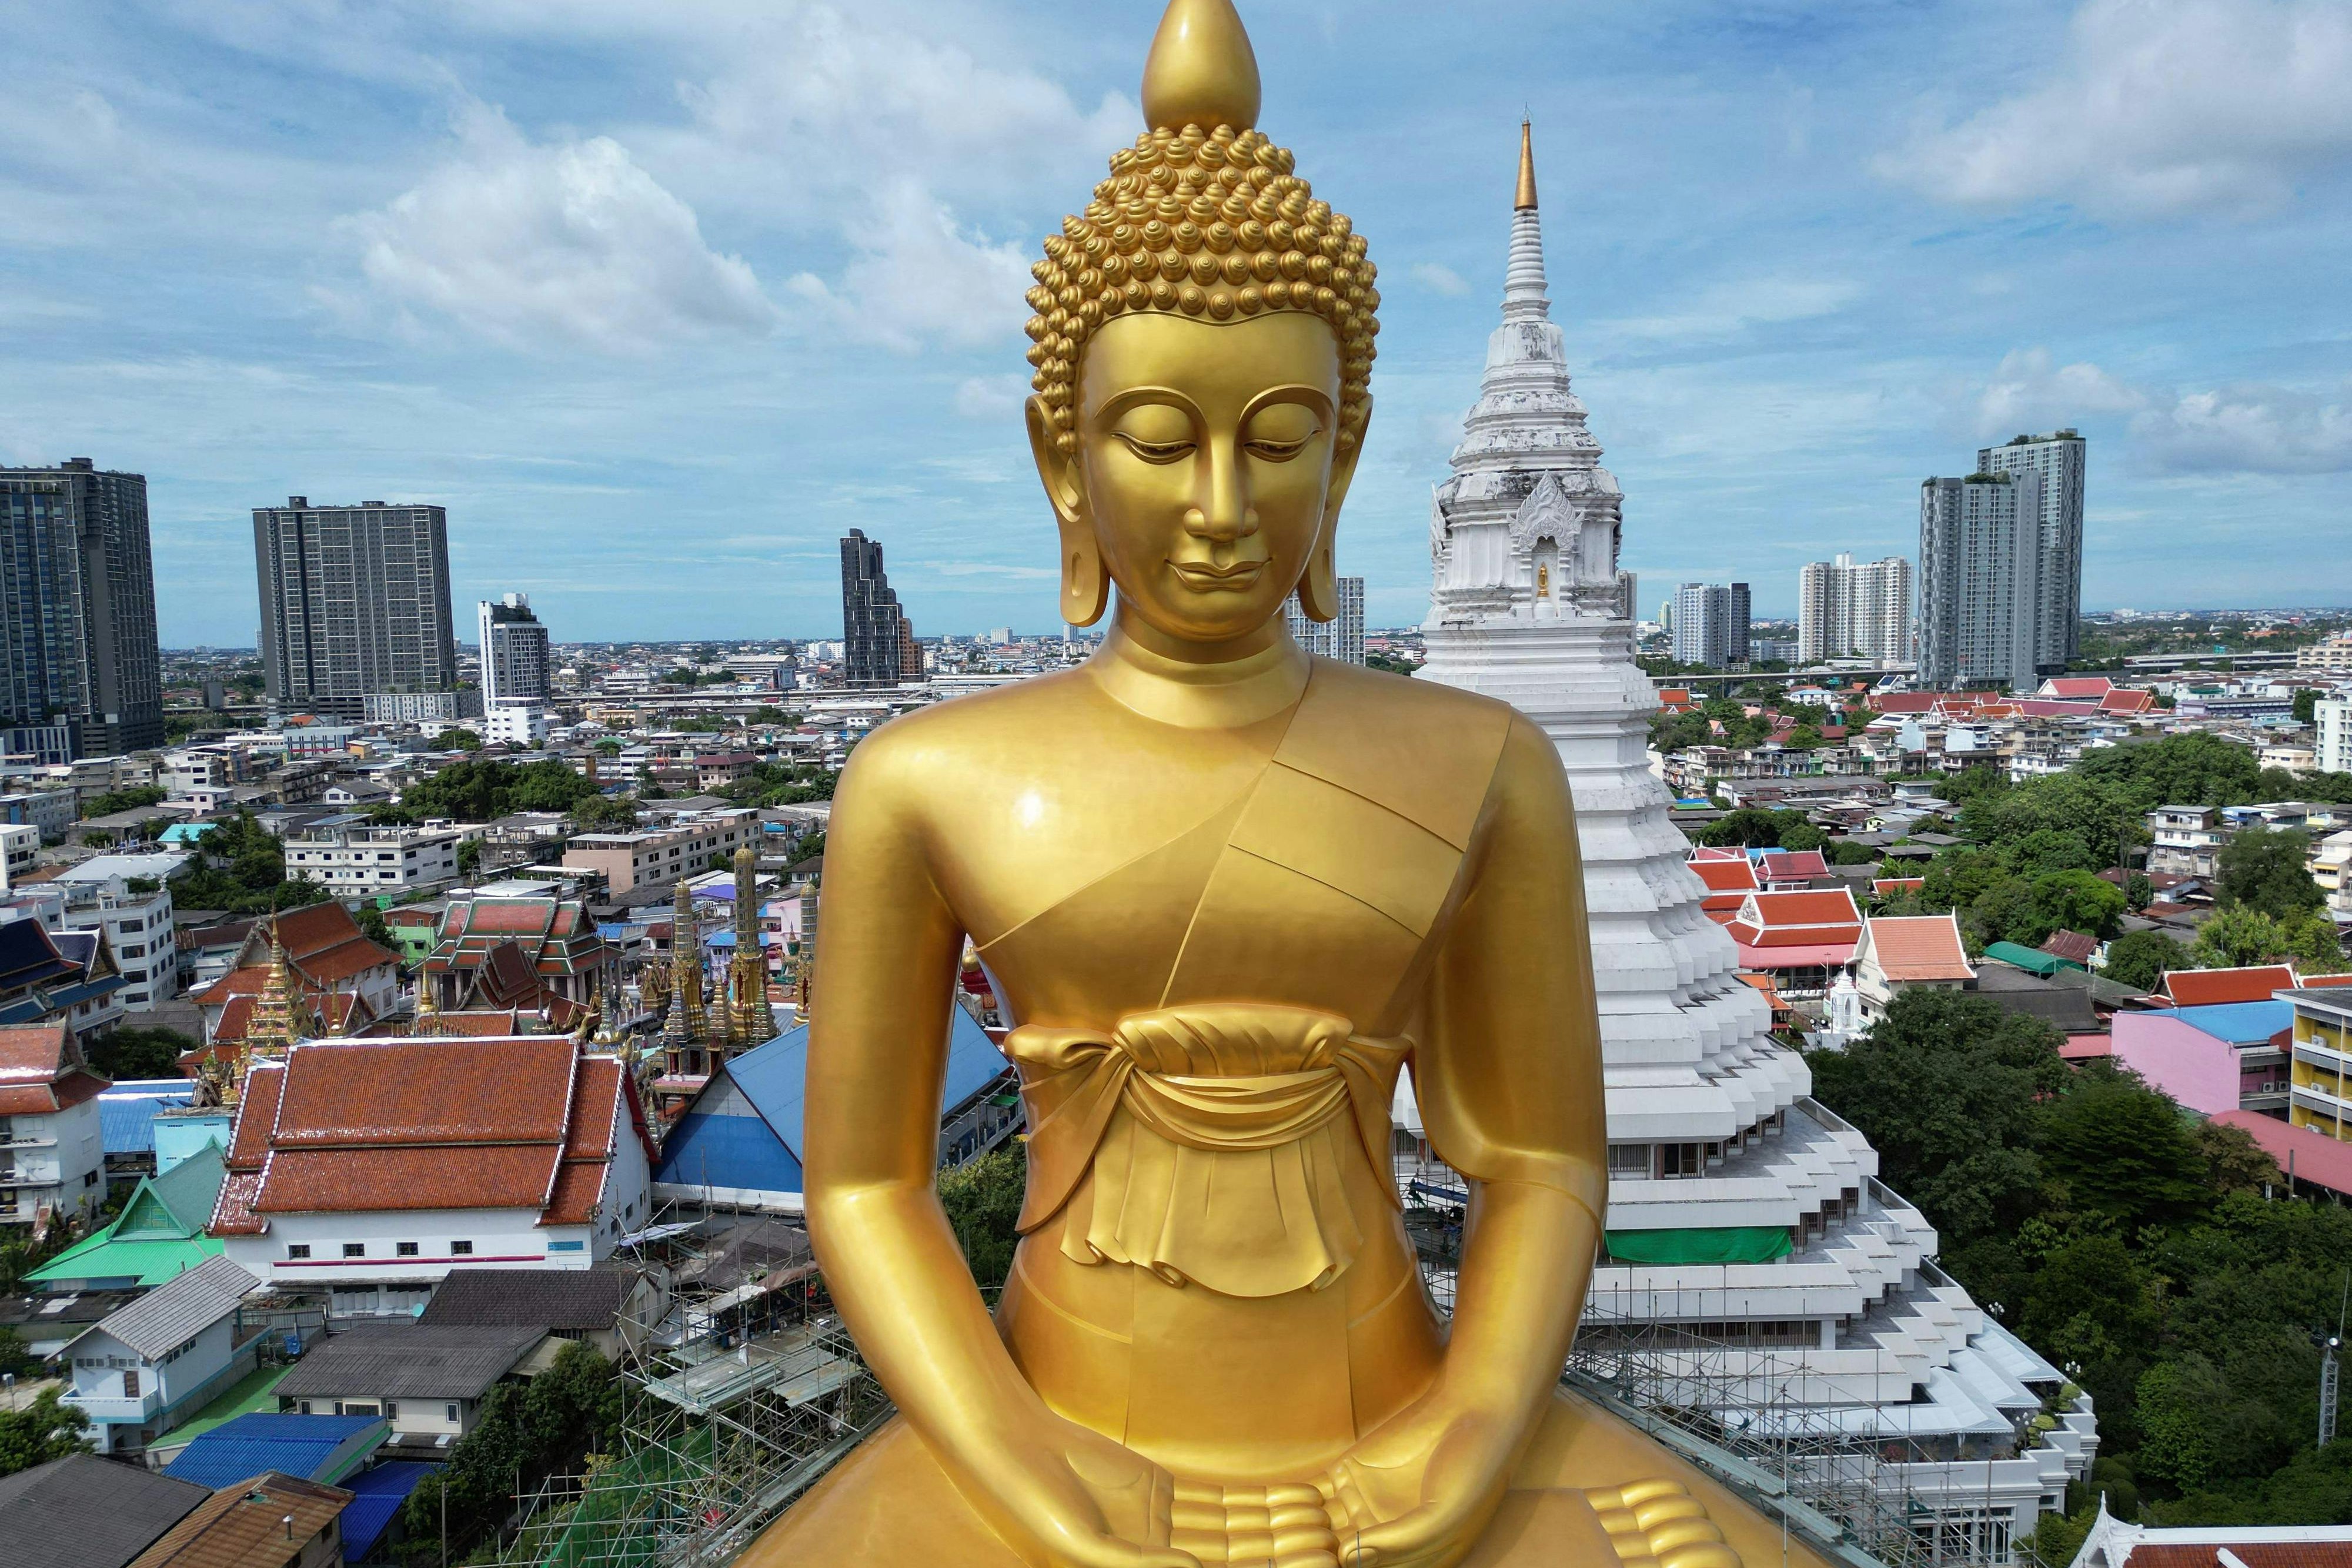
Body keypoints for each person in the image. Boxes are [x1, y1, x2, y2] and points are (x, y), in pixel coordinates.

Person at [745, 5, 1828, 1565]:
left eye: (1278, 441)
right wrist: (1033, 1467)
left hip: (1398, 1429)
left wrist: (1466, 1431)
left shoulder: (1483, 764)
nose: (1218, 507)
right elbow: (862, 1185)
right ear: (1063, 459)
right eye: (1154, 438)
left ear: (1348, 448)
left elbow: (1542, 1157)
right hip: (1050, 1428)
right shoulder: (924, 780)